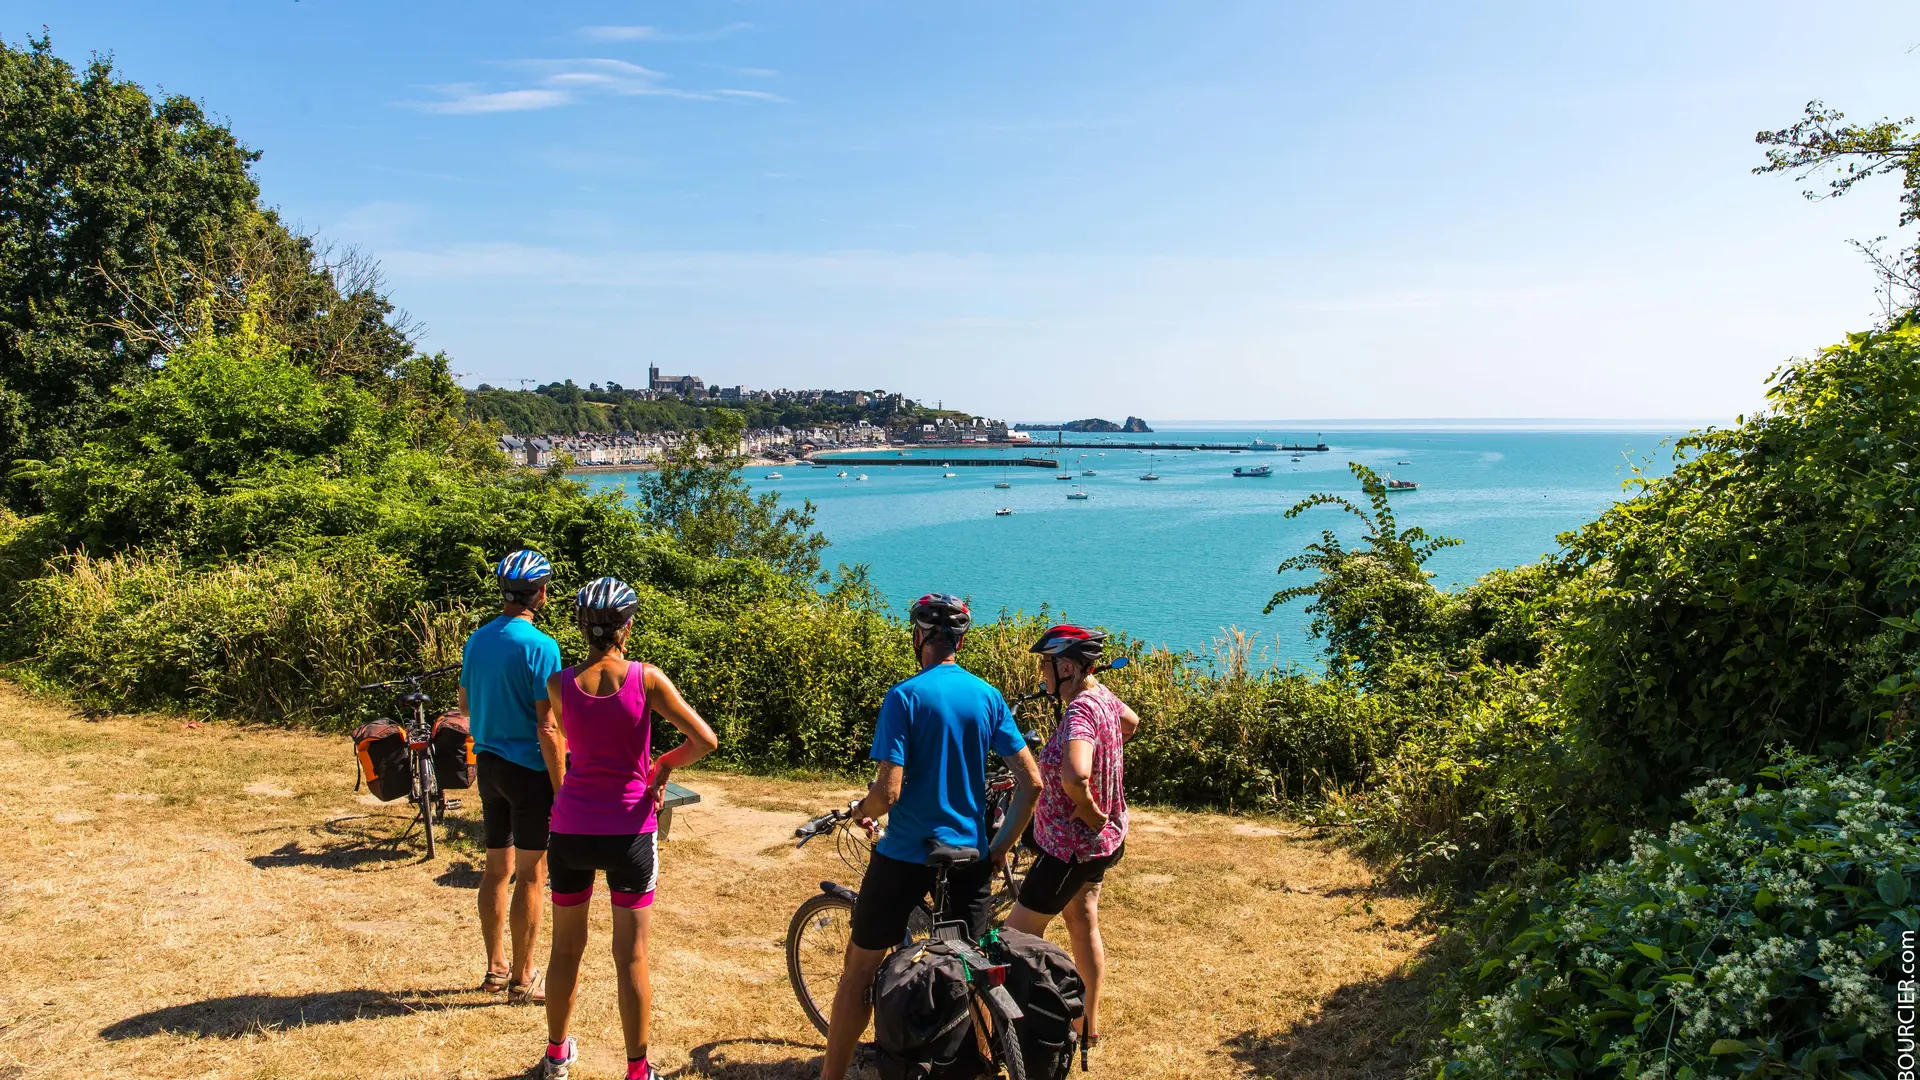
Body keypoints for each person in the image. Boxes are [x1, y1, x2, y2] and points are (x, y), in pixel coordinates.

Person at [820, 593, 1042, 1080]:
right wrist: (998, 847)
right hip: (968, 855)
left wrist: (862, 809)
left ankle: (830, 1076)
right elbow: (1033, 783)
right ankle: (984, 1062)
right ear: (960, 640)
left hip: (904, 855)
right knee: (974, 969)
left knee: (859, 970)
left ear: (919, 637)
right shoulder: (987, 697)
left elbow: (889, 791)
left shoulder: (904, 696)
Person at [536, 576, 718, 1080]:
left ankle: (556, 1056)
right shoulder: (647, 678)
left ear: (579, 623)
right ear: (628, 626)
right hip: (630, 830)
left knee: (565, 950)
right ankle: (637, 1070)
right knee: (631, 956)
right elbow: (705, 739)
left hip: (570, 828)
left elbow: (569, 739)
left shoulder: (559, 684)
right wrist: (662, 767)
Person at [1003, 623, 1139, 1054]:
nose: (1042, 674)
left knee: (1010, 940)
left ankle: (1013, 1033)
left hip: (1069, 850)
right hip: (1102, 845)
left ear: (1065, 666)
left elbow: (1076, 774)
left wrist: (1085, 803)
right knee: (1082, 923)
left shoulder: (1080, 711)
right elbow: (1130, 723)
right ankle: (1087, 1026)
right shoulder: (1102, 699)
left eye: (1046, 664)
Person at [459, 548, 563, 1004]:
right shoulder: (541, 647)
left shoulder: (477, 640)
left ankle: (495, 968)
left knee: (495, 869)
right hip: (529, 772)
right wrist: (563, 789)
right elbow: (549, 725)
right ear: (540, 593)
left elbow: (465, 708)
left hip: (490, 766)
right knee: (532, 874)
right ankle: (523, 977)